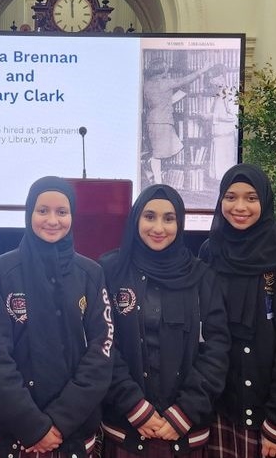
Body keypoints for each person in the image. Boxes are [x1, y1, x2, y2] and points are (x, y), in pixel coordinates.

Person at [0, 176, 114, 458]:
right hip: (9, 434)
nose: (52, 220)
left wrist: (60, 422)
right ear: (29, 214)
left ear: (73, 216)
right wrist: (32, 425)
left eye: (62, 212)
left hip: (71, 435)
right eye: (42, 211)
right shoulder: (2, 270)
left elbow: (102, 352)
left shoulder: (91, 273)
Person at [98, 184, 230, 458]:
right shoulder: (110, 270)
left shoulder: (202, 276)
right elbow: (102, 347)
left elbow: (216, 350)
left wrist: (184, 413)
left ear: (179, 222)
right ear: (136, 219)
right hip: (126, 429)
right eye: (149, 216)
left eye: (169, 218)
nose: (159, 227)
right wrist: (136, 408)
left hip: (184, 433)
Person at [201, 164, 276, 458]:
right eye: (230, 197)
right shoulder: (210, 251)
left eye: (251, 198)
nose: (239, 207)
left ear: (265, 202)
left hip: (275, 413)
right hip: (225, 407)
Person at [142, 58, 215, 185]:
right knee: (160, 154)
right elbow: (185, 80)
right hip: (163, 121)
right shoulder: (165, 83)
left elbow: (159, 101)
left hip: (152, 120)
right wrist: (202, 70)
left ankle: (153, 171)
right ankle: (152, 173)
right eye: (165, 68)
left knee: (169, 149)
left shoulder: (147, 84)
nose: (167, 70)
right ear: (162, 71)